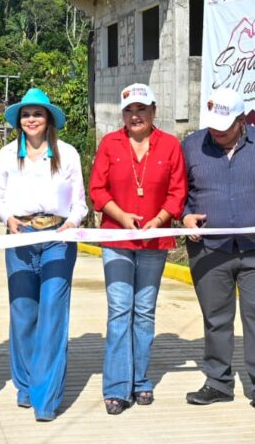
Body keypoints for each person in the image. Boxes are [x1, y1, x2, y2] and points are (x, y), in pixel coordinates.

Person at [180, 88, 255, 418]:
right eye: (213, 126)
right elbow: (178, 192)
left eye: (224, 127)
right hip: (209, 249)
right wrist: (185, 214)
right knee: (216, 319)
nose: (216, 133)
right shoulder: (191, 145)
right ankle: (217, 383)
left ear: (241, 121)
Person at [88, 83, 186, 415]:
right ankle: (116, 386)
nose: (135, 115)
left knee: (143, 311)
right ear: (123, 114)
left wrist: (159, 220)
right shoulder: (110, 143)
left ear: (153, 111)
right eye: (129, 110)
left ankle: (140, 380)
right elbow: (97, 190)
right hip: (117, 238)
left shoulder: (170, 145)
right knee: (119, 311)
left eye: (141, 109)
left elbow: (177, 192)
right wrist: (120, 216)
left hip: (154, 240)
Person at [0, 88, 88, 422]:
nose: (31, 119)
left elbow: (80, 201)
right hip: (19, 238)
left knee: (52, 315)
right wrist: (8, 219)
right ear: (19, 121)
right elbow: (0, 198)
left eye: (38, 114)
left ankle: (45, 399)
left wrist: (73, 222)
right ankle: (25, 385)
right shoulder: (7, 155)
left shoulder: (68, 153)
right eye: (26, 114)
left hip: (58, 239)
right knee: (22, 314)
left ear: (48, 119)